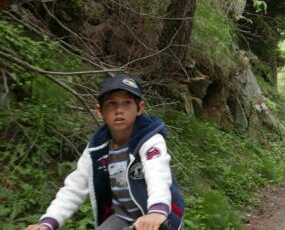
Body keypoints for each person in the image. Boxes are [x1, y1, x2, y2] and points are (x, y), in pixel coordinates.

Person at [26, 74, 185, 230]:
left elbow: (157, 172)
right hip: (122, 217)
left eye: (127, 103)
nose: (119, 110)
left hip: (160, 217)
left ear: (140, 108)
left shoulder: (149, 139)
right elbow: (74, 187)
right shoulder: (97, 148)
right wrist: (48, 222)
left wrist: (157, 210)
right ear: (99, 111)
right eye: (111, 104)